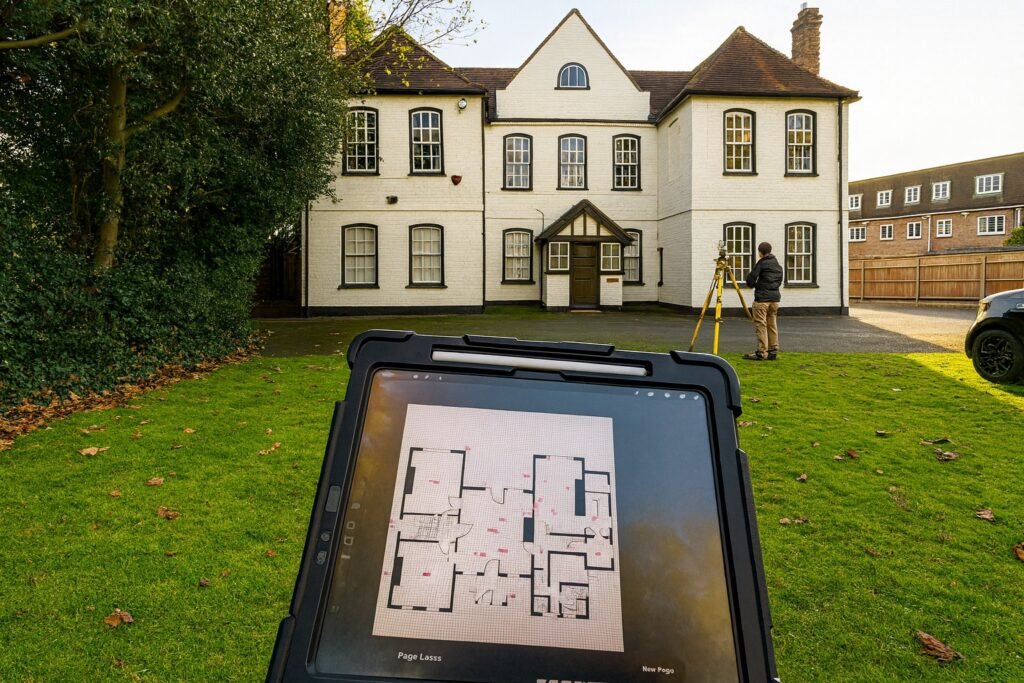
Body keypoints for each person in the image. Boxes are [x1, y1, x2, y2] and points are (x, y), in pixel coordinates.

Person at [743, 242, 783, 361]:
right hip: (774, 300)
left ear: (760, 252)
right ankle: (773, 350)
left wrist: (756, 285)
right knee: (772, 324)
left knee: (761, 325)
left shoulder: (761, 263)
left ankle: (762, 352)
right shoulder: (777, 265)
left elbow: (751, 278)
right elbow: (779, 282)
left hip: (762, 300)